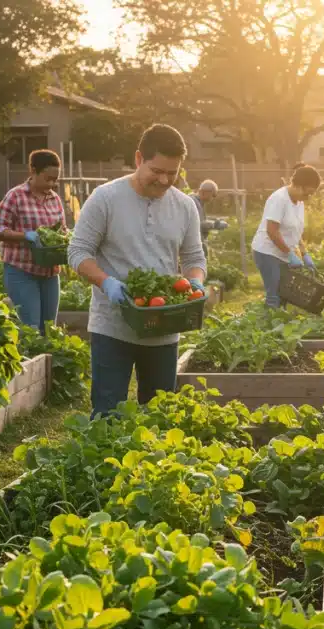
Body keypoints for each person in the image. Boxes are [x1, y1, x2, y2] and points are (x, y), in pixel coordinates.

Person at [67, 124, 207, 418]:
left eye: (173, 173)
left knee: (159, 416)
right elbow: (78, 252)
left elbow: (194, 256)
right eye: (157, 170)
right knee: (108, 413)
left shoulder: (185, 207)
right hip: (113, 325)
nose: (164, 179)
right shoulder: (105, 198)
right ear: (138, 158)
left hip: (164, 327)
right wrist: (107, 283)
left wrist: (195, 282)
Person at [0, 149, 67, 334]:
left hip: (49, 272)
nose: (52, 183)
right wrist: (26, 236)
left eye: (55, 179)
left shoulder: (54, 199)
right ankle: (31, 362)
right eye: (47, 178)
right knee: (31, 328)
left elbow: (62, 230)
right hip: (21, 271)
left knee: (49, 329)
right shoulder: (15, 196)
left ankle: (48, 361)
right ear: (33, 171)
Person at [251, 164, 322, 308]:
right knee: (275, 295)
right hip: (267, 252)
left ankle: (279, 326)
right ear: (297, 185)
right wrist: (289, 253)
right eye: (306, 193)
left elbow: (295, 232)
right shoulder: (279, 199)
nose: (307, 198)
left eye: (311, 194)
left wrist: (304, 253)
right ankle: (266, 328)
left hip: (283, 254)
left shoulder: (299, 202)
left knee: (285, 295)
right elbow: (272, 230)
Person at [189, 179, 228, 257]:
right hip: (192, 243)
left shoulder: (198, 202)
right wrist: (215, 225)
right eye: (213, 195)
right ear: (204, 192)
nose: (213, 198)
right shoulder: (193, 202)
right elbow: (198, 224)